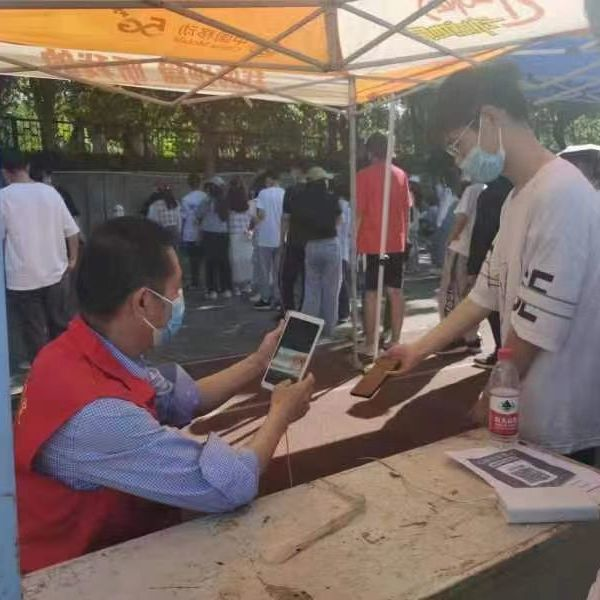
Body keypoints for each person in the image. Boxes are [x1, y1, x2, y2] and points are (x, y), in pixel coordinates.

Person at [14, 216, 315, 574]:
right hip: (73, 573)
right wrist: (280, 415)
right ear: (143, 302)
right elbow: (229, 486)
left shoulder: (82, 349)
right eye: (176, 291)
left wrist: (258, 362)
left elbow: (180, 399)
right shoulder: (101, 416)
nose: (178, 302)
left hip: (101, 549)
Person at [385, 62, 600, 462]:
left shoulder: (560, 195)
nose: (458, 160)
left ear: (489, 118)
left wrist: (491, 398)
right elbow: (483, 293)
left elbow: (534, 330)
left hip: (563, 426)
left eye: (457, 145)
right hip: (527, 414)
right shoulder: (518, 198)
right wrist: (418, 349)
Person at [0, 150, 80, 364]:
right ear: (27, 167)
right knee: (60, 327)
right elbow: (72, 231)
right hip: (56, 273)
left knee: (34, 334)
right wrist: (72, 260)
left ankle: (43, 372)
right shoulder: (50, 192)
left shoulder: (3, 197)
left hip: (22, 279)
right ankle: (67, 368)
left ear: (5, 172)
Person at [356, 132, 411, 356]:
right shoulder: (401, 174)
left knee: (372, 293)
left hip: (372, 242)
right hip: (395, 242)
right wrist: (405, 238)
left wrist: (352, 241)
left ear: (371, 152)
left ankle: (371, 343)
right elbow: (407, 211)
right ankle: (395, 340)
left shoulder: (364, 176)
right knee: (395, 291)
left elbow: (359, 213)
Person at [467, 176, 513, 368]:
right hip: (516, 259)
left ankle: (502, 352)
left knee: (492, 307)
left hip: (494, 259)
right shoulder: (520, 190)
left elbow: (481, 232)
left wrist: (473, 266)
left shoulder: (490, 195)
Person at [290, 167, 342, 337]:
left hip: (311, 245)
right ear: (323, 181)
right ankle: (329, 328)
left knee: (311, 288)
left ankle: (309, 329)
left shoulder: (301, 199)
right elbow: (338, 221)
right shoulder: (332, 198)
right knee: (331, 289)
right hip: (330, 244)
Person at [436, 181, 484, 355]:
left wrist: (450, 239)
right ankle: (471, 337)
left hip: (461, 249)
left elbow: (461, 218)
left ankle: (453, 339)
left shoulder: (472, 190)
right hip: (476, 251)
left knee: (450, 293)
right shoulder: (488, 188)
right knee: (470, 296)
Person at [254, 170, 284, 310]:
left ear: (271, 179)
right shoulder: (284, 193)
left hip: (265, 237)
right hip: (280, 236)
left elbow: (261, 214)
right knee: (278, 271)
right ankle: (278, 299)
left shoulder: (263, 193)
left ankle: (265, 298)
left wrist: (254, 221)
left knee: (264, 270)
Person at [280, 163, 307, 315]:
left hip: (294, 239)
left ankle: (288, 310)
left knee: (288, 277)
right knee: (307, 278)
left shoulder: (290, 191)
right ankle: (305, 309)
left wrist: (281, 239)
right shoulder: (313, 191)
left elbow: (286, 217)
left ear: (297, 171)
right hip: (310, 239)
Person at [200, 176, 232, 300]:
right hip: (223, 233)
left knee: (210, 262)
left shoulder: (207, 200)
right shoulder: (225, 200)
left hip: (209, 233)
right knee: (223, 261)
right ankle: (226, 288)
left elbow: (199, 213)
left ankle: (212, 290)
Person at [227, 176, 254, 295]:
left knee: (235, 260)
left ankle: (236, 286)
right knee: (247, 260)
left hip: (233, 235)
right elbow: (253, 220)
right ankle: (247, 285)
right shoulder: (249, 205)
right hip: (246, 235)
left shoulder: (228, 206)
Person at [180, 173, 206, 291]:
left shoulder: (185, 199)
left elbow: (183, 217)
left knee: (192, 259)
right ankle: (204, 280)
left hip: (190, 232)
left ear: (189, 184)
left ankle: (195, 282)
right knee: (203, 258)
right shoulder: (205, 197)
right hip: (204, 231)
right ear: (200, 183)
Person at [335, 177, 352, 323]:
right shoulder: (350, 209)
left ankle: (341, 311)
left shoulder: (335, 206)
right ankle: (344, 311)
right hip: (346, 248)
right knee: (344, 281)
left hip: (335, 247)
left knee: (339, 283)